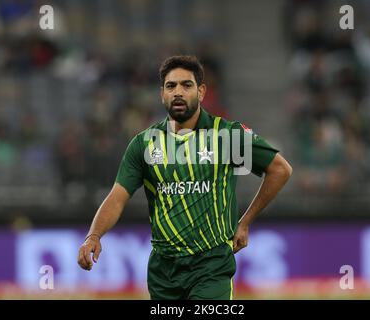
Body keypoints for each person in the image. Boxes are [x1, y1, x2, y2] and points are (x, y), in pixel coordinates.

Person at [77, 55, 293, 299]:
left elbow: (280, 170)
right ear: (162, 94)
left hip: (211, 265)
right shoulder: (144, 144)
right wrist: (93, 236)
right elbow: (117, 196)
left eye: (186, 85)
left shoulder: (227, 135)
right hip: (163, 272)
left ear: (201, 92)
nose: (178, 92)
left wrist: (245, 222)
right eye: (171, 86)